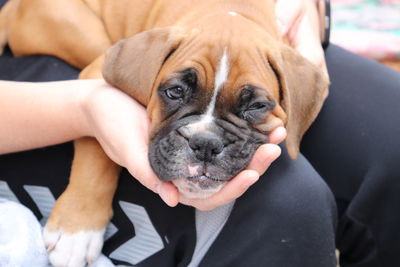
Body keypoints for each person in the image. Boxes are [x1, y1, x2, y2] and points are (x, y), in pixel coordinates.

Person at [0, 0, 399, 266]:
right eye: (176, 92)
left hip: (262, 24)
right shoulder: (146, 52)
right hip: (49, 37)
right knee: (284, 205)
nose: (205, 143)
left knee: (391, 140)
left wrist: (307, 9)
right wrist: (90, 129)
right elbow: (103, 73)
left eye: (256, 105)